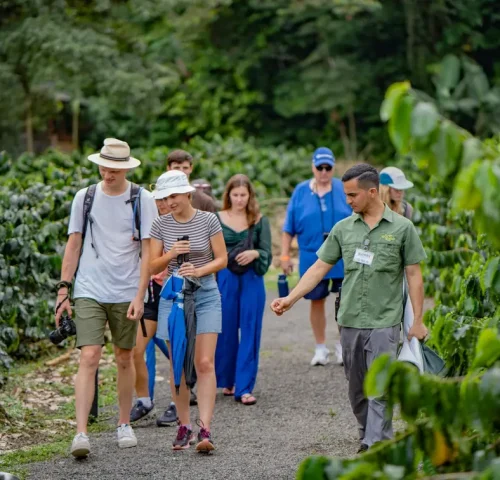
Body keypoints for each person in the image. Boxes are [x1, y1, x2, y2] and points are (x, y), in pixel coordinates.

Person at [271, 164, 428, 453]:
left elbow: (414, 275)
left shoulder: (403, 228)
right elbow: (319, 267)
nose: (348, 200)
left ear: (371, 192)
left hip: (385, 321)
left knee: (379, 388)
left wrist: (417, 320)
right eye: (346, 195)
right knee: (357, 390)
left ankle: (374, 443)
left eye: (353, 195)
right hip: (350, 320)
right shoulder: (343, 229)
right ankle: (369, 432)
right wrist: (290, 298)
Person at [55, 138, 158, 457]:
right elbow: (73, 244)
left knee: (125, 356)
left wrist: (141, 295)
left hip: (127, 289)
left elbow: (148, 250)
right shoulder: (84, 197)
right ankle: (81, 433)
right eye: (104, 165)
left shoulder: (143, 198)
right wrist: (63, 290)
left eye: (114, 168)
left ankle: (124, 423)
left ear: (125, 168)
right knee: (89, 356)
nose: (107, 172)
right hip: (89, 287)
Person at [149, 170, 227, 452]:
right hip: (174, 296)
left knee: (205, 362)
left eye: (173, 196)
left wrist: (199, 268)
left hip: (206, 292)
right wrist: (171, 254)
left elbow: (222, 259)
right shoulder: (160, 225)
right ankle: (184, 425)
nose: (169, 202)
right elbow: (151, 267)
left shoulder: (208, 220)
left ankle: (205, 429)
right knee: (178, 363)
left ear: (187, 194)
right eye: (164, 198)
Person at [281, 147, 351, 366]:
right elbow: (288, 227)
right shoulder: (301, 191)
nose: (323, 172)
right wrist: (285, 256)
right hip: (312, 256)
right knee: (316, 300)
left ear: (333, 168)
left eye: (327, 167)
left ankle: (343, 346)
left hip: (342, 255)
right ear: (312, 167)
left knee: (345, 302)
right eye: (319, 167)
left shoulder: (343, 188)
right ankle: (320, 347)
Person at [214, 174, 272, 405]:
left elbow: (267, 251)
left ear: (250, 196)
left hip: (252, 278)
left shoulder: (258, 219)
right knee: (225, 330)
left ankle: (245, 387)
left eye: (243, 195)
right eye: (235, 195)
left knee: (250, 329)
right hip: (225, 276)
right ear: (228, 195)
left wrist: (256, 253)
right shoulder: (216, 218)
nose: (239, 199)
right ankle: (227, 380)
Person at [129, 195, 171, 424]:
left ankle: (177, 402)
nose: (162, 204)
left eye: (166, 200)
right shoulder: (146, 228)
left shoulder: (178, 224)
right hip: (148, 294)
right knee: (136, 349)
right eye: (158, 201)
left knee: (175, 351)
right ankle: (145, 400)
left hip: (171, 293)